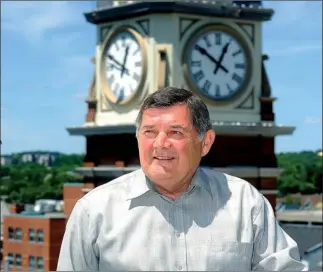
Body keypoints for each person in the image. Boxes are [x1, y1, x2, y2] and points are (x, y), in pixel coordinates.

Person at [57, 87, 305, 271]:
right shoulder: (94, 211)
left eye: (175, 132)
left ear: (205, 142)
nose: (160, 144)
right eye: (149, 132)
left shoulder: (244, 202)